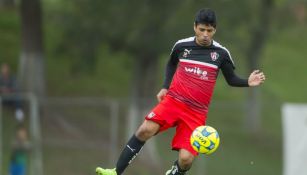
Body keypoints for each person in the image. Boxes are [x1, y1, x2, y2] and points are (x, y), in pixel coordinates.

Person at [96, 8, 266, 175]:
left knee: (186, 160)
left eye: (209, 30)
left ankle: (177, 171)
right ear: (195, 27)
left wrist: (247, 82)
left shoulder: (221, 54)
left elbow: (231, 79)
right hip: (173, 101)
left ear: (215, 30)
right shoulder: (181, 46)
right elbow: (171, 64)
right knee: (144, 130)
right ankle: (115, 172)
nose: (205, 34)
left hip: (196, 113)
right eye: (202, 30)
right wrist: (165, 86)